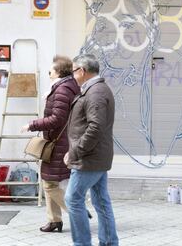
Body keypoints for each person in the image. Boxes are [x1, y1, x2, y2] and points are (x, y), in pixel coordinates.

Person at [64, 54, 119, 246]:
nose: (72, 75)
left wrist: (75, 151)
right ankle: (109, 242)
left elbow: (95, 128)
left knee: (72, 199)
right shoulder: (96, 89)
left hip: (89, 159)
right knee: (101, 202)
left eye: (73, 71)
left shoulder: (95, 92)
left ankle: (81, 243)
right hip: (96, 156)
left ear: (82, 71)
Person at [21, 56, 80, 232]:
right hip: (57, 142)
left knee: (50, 183)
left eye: (50, 70)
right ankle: (54, 221)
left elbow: (57, 119)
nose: (49, 73)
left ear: (59, 71)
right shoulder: (64, 87)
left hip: (58, 143)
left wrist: (33, 125)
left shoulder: (63, 89)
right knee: (51, 182)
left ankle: (78, 213)